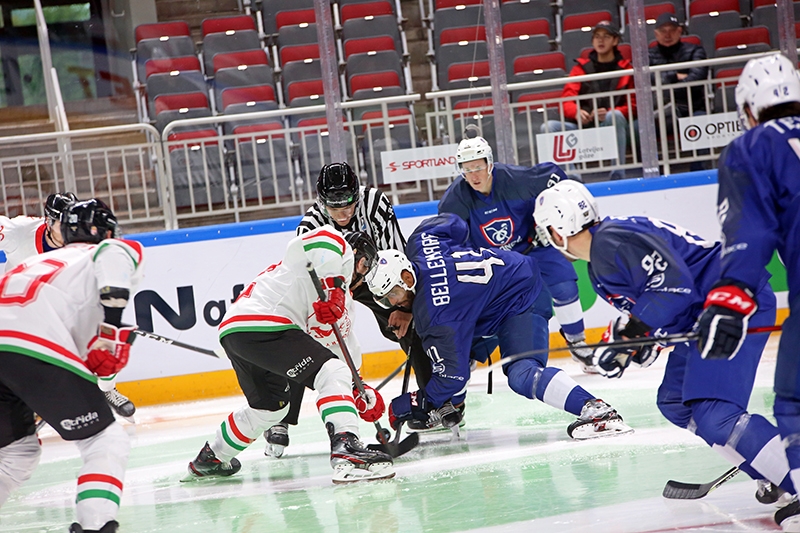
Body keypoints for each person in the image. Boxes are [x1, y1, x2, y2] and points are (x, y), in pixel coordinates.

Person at [535, 180, 794, 513]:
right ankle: (766, 467)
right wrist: (638, 345)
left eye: (548, 232)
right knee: (674, 401)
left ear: (559, 230)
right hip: (702, 315)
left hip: (731, 303)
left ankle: (791, 474)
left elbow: (674, 287)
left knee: (715, 414)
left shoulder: (611, 245)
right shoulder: (603, 255)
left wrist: (632, 332)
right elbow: (661, 301)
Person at [367, 213, 633, 439]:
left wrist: (413, 402)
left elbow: (452, 376)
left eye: (393, 294)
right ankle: (453, 407)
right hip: (505, 283)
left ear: (406, 277)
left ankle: (595, 410)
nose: (392, 302)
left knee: (521, 373)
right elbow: (454, 223)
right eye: (386, 299)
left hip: (522, 301)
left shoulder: (436, 315)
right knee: (456, 352)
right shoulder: (421, 243)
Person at [187, 225, 394, 483]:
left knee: (270, 408)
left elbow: (337, 354)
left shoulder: (344, 304)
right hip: (265, 323)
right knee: (331, 372)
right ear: (357, 255)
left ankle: (212, 457)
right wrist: (335, 287)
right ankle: (346, 450)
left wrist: (358, 391)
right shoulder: (332, 249)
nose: (361, 274)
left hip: (237, 334)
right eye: (364, 265)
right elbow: (320, 242)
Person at [695, 52, 800, 531]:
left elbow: (749, 235)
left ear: (748, 109)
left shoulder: (753, 147)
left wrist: (729, 300)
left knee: (794, 400)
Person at [263, 162, 428, 454]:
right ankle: (281, 418)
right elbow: (302, 278)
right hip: (328, 287)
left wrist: (406, 305)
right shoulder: (310, 225)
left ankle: (432, 401)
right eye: (334, 206)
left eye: (348, 203)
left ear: (356, 194)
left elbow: (395, 254)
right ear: (321, 200)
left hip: (373, 275)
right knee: (300, 338)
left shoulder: (375, 203)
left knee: (412, 326)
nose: (343, 212)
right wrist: (328, 302)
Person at [0, 199, 143, 533]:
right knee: (105, 442)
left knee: (16, 453)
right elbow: (113, 263)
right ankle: (94, 526)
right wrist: (110, 332)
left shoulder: (34, 263)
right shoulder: (112, 249)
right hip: (31, 345)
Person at [438, 137, 596, 374]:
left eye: (478, 167)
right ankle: (468, 354)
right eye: (467, 169)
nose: (474, 175)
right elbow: (449, 238)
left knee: (564, 285)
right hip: (494, 263)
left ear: (489, 163)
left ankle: (577, 343)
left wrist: (548, 221)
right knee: (477, 304)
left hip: (533, 248)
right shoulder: (454, 200)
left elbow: (556, 179)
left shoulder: (516, 179)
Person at [0, 192, 136, 419]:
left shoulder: (85, 237)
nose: (69, 229)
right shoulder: (18, 234)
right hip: (21, 310)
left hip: (60, 304)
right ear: (48, 221)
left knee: (104, 338)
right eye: (63, 222)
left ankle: (107, 389)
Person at [540, 21, 636, 181]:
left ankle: (618, 173)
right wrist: (577, 113)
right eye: (597, 36)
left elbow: (634, 104)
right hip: (585, 125)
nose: (600, 40)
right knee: (548, 127)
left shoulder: (626, 69)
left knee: (616, 116)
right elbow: (566, 100)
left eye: (606, 36)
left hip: (614, 125)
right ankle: (572, 178)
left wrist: (610, 112)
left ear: (615, 41)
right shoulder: (581, 68)